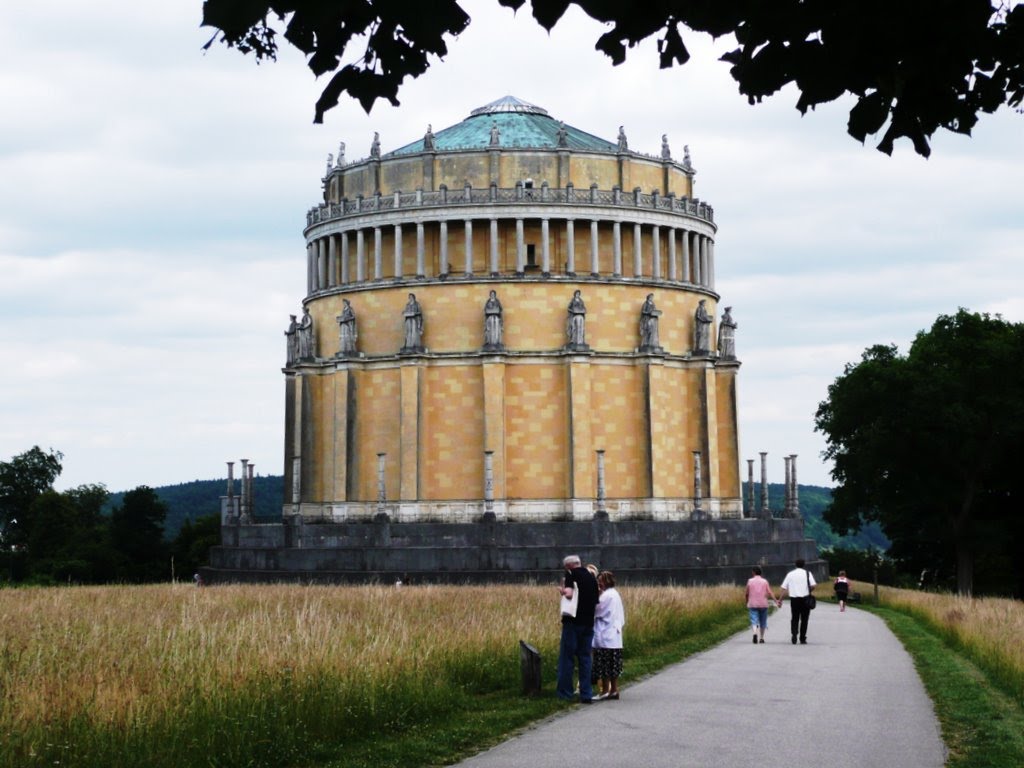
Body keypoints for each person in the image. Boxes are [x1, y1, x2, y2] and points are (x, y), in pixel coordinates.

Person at [557, 554, 599, 704]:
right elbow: (596, 601)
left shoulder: (570, 574)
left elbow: (569, 594)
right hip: (589, 623)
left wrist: (562, 591)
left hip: (573, 622)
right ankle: (586, 693)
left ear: (568, 566)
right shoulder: (592, 577)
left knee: (567, 658)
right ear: (579, 563)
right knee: (585, 659)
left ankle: (565, 693)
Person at [593, 570, 625, 700]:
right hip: (614, 636)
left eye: (600, 580)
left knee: (604, 665)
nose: (599, 583)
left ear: (606, 581)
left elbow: (597, 609)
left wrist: (597, 595)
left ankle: (605, 690)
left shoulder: (606, 596)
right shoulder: (615, 594)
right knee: (613, 665)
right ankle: (614, 690)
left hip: (605, 634)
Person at [779, 558, 817, 644]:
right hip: (805, 599)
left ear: (795, 565)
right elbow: (813, 585)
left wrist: (780, 600)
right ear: (804, 565)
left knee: (795, 618)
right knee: (804, 619)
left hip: (794, 599)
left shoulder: (790, 574)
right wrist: (809, 591)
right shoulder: (808, 573)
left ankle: (794, 634)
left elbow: (784, 587)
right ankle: (802, 638)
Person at [745, 566, 780, 644]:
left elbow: (746, 593)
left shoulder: (750, 581)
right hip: (763, 604)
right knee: (763, 621)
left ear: (753, 572)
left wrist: (747, 601)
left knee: (754, 620)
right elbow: (770, 592)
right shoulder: (764, 581)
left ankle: (754, 633)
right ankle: (761, 638)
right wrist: (776, 601)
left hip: (753, 604)